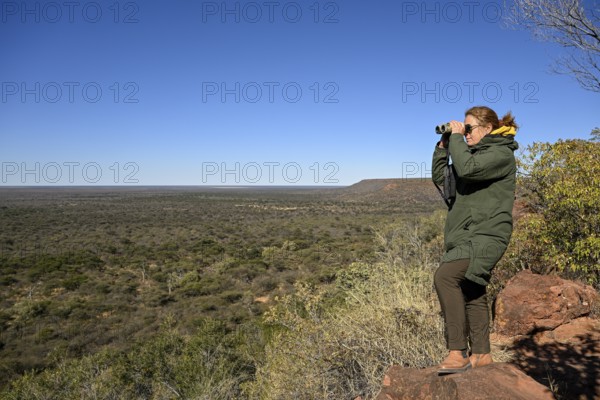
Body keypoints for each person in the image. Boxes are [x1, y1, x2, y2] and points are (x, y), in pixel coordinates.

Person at [431, 106, 519, 374]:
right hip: (465, 235)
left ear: (488, 128)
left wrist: (457, 139)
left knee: (445, 277)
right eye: (464, 128)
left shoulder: (500, 154)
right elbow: (442, 179)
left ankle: (456, 353)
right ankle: (481, 355)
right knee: (472, 290)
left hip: (486, 235)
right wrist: (443, 146)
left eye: (469, 129)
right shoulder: (471, 156)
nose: (465, 133)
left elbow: (467, 170)